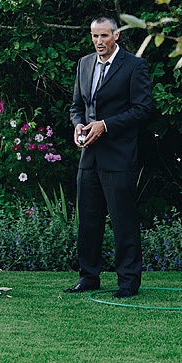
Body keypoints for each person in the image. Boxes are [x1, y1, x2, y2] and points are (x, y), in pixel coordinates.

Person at [66, 16, 155, 298]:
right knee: (88, 222)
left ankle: (128, 283)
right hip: (88, 157)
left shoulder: (134, 66)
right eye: (94, 36)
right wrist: (78, 125)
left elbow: (143, 109)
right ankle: (88, 277)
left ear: (116, 36)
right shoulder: (84, 64)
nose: (99, 42)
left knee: (122, 221)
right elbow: (76, 106)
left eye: (104, 36)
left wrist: (106, 125)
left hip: (119, 156)